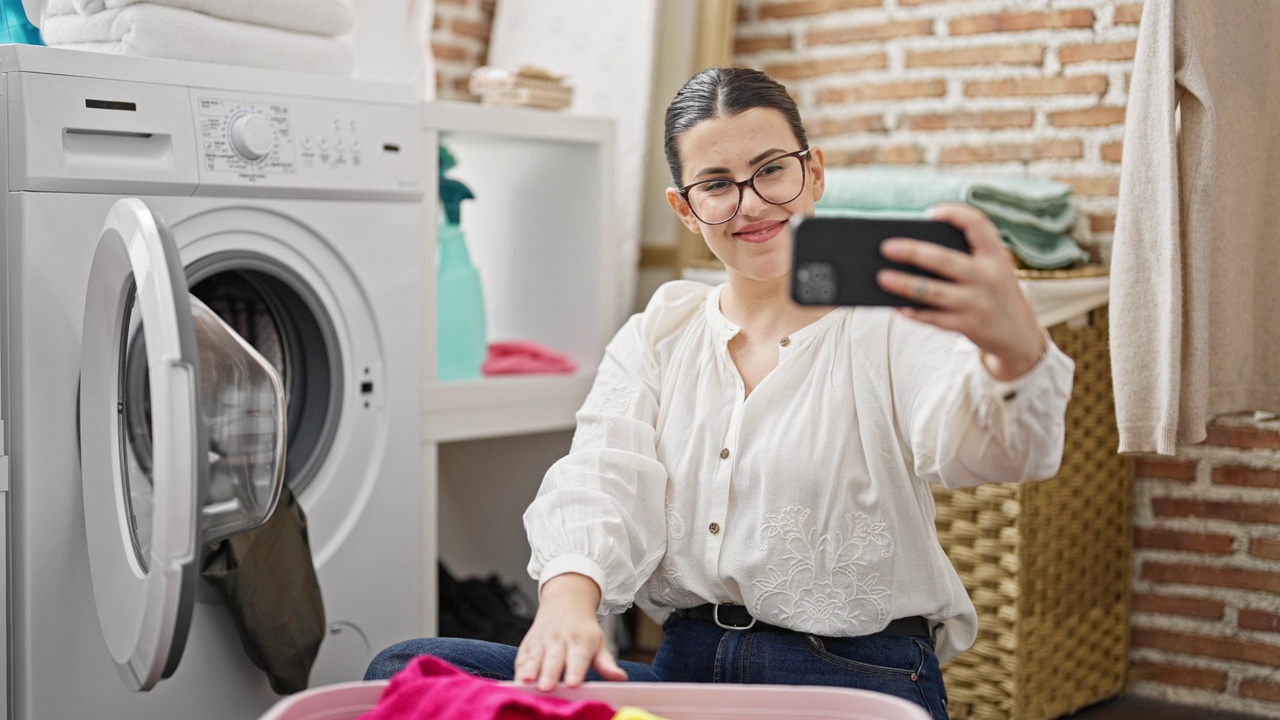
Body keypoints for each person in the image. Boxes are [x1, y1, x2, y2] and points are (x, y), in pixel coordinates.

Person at [366, 67, 1073, 720]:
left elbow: (990, 450)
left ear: (814, 171)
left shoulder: (887, 323)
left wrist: (1013, 351)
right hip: (685, 675)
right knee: (403, 670)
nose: (751, 203)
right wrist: (567, 604)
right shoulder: (660, 333)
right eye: (717, 183)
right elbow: (601, 477)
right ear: (685, 206)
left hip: (855, 678)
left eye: (771, 171)